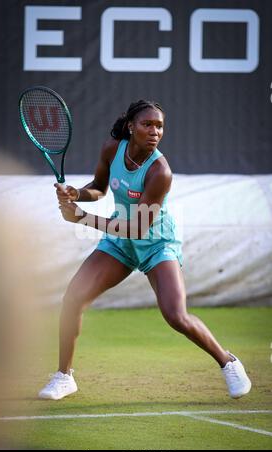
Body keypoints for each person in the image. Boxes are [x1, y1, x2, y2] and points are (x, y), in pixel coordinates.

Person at [39, 100, 251, 401]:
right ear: (131, 127)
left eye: (159, 126)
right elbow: (99, 187)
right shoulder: (113, 149)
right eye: (147, 124)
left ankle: (227, 361)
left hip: (156, 243)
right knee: (73, 298)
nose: (154, 131)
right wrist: (78, 194)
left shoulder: (160, 172)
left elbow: (138, 228)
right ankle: (64, 377)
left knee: (176, 316)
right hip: (119, 242)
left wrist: (81, 217)